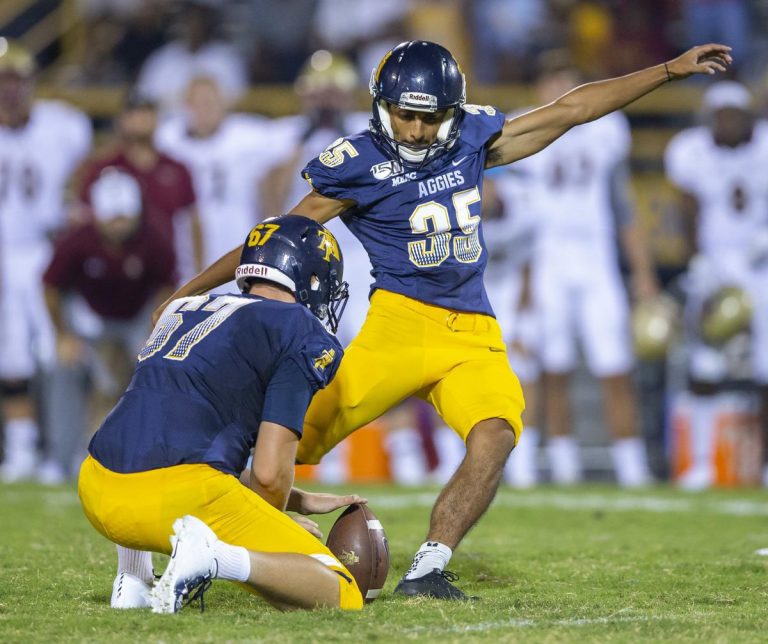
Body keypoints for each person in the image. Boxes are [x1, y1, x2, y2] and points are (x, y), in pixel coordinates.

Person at [159, 40, 732, 599]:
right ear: (382, 106)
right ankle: (201, 525)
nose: (415, 130)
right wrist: (188, 291)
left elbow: (572, 110)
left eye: (429, 118)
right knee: (288, 443)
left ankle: (429, 567)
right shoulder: (359, 163)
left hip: (472, 330)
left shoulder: (472, 138)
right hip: (397, 325)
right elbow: (278, 236)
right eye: (405, 115)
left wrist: (666, 71)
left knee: (496, 434)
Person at [78, 215, 364, 612]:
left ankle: (133, 578)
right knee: (341, 591)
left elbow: (165, 431)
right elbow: (268, 473)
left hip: (96, 486)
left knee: (146, 417)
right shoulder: (296, 326)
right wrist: (271, 520)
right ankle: (211, 557)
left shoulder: (185, 307)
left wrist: (293, 499)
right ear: (311, 278)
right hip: (172, 503)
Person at [496, 52, 657, 487]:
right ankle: (564, 463)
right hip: (546, 261)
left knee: (616, 366)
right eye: (551, 81)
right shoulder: (523, 126)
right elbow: (515, 219)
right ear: (538, 88)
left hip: (596, 260)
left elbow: (623, 207)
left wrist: (642, 273)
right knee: (551, 368)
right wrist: (524, 283)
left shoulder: (605, 130)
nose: (559, 90)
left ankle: (631, 464)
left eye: (566, 81)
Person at [664, 80, 768, 488]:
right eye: (719, 116)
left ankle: (763, 466)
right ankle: (703, 462)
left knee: (765, 366)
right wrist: (696, 258)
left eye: (733, 116)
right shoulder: (692, 151)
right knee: (703, 363)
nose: (725, 124)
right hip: (716, 264)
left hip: (761, 266)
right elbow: (687, 208)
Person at [41, 169, 176, 481]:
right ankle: (60, 458)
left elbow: (168, 287)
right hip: (89, 318)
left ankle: (154, 455)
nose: (118, 224)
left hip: (136, 318)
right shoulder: (77, 240)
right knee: (62, 366)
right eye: (111, 216)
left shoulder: (154, 237)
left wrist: (155, 333)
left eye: (123, 216)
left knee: (160, 367)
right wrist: (62, 334)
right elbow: (50, 285)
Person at [0, 39, 93, 483]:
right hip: (3, 254)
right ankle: (21, 449)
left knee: (59, 350)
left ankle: (66, 448)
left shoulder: (62, 126)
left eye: (16, 80)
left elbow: (83, 175)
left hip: (43, 252)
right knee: (11, 356)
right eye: (2, 81)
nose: (9, 90)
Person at [155, 75, 284, 278]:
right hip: (186, 245)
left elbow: (287, 152)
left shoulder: (249, 136)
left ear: (223, 104)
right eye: (197, 103)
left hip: (239, 240)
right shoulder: (167, 139)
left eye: (210, 102)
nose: (204, 110)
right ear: (185, 106)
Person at [78, 90, 204, 283]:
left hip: (165, 273)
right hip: (115, 274)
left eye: (146, 112)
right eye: (134, 113)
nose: (140, 119)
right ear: (121, 120)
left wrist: (198, 272)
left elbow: (192, 221)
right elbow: (83, 219)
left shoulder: (177, 168)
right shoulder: (103, 167)